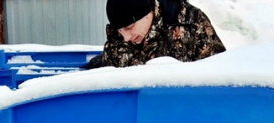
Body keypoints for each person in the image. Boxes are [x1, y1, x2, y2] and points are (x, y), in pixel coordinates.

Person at [86, 0, 225, 69]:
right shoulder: (118, 39)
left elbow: (218, 74)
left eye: (129, 27)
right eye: (120, 31)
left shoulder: (191, 25)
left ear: (148, 13)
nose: (126, 38)